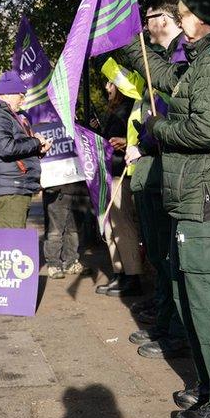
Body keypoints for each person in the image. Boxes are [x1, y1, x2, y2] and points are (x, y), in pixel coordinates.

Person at [120, 0, 210, 418]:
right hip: (195, 197)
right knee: (194, 299)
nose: (179, 18)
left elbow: (205, 132)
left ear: (204, 19)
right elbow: (167, 80)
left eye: (185, 12)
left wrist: (157, 129)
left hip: (207, 199)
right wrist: (131, 41)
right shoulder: (203, 61)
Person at [103, 0, 191, 360]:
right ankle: (165, 322)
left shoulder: (182, 61)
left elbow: (180, 122)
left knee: (172, 260)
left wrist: (148, 144)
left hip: (163, 171)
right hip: (148, 172)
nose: (144, 24)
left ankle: (176, 333)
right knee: (159, 254)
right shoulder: (161, 64)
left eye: (149, 16)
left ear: (165, 19)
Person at [0, 70, 51, 229]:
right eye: (21, 95)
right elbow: (6, 148)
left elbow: (15, 150)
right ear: (6, 94)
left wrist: (38, 150)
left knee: (13, 244)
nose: (23, 101)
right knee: (12, 245)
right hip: (10, 189)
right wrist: (35, 142)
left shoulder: (9, 116)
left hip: (15, 187)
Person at [90, 81, 143, 296]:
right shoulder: (115, 111)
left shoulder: (128, 109)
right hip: (111, 172)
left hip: (122, 173)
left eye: (111, 83)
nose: (106, 87)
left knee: (122, 225)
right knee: (111, 226)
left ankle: (132, 276)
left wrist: (124, 141)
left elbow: (136, 138)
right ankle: (119, 273)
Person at [42, 180, 92, 278]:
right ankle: (53, 264)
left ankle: (71, 262)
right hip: (57, 190)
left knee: (75, 231)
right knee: (55, 231)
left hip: (81, 191)